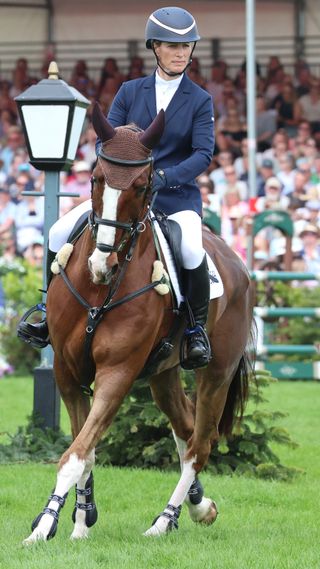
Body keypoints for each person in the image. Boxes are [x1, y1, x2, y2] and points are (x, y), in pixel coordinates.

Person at [18, 6, 215, 370]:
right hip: (121, 197)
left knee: (189, 249)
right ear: (155, 47)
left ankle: (194, 331)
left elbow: (204, 153)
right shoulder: (129, 91)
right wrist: (117, 175)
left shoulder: (199, 99)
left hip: (173, 197)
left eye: (187, 46)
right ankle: (46, 310)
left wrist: (163, 178)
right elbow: (105, 142)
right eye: (173, 46)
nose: (182, 52)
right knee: (59, 231)